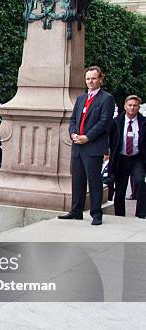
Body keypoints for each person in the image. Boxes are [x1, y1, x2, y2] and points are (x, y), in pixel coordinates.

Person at [59, 66, 114, 225]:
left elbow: (104, 122)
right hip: (78, 146)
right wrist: (73, 134)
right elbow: (73, 120)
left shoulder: (106, 99)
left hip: (93, 147)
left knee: (94, 181)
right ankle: (76, 211)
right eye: (88, 78)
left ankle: (96, 214)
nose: (90, 81)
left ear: (100, 80)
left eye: (94, 78)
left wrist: (87, 137)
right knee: (78, 180)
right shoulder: (80, 99)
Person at [108, 95, 146, 218]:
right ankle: (119, 215)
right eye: (130, 105)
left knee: (140, 182)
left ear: (138, 108)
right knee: (120, 188)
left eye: (135, 106)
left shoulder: (144, 122)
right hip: (121, 158)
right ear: (125, 106)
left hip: (137, 158)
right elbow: (110, 139)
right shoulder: (116, 122)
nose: (132, 108)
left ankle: (141, 214)